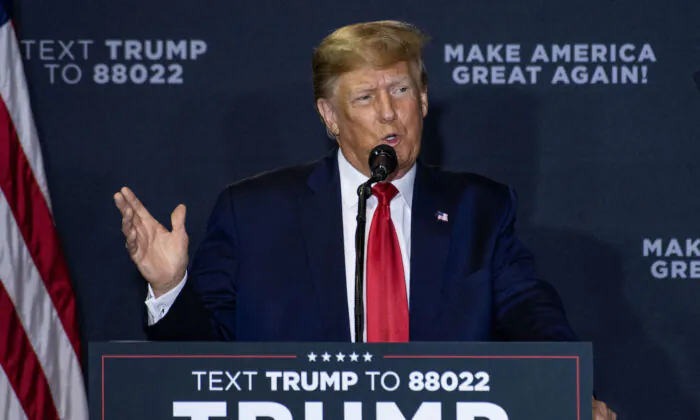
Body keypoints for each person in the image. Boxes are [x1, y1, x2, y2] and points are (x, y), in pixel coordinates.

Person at [114, 20, 616, 419]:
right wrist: (172, 286)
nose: (388, 113)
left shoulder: (479, 208)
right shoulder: (254, 212)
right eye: (364, 98)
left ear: (423, 100)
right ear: (329, 117)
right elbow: (204, 364)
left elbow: (532, 316)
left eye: (400, 91)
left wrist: (568, 393)